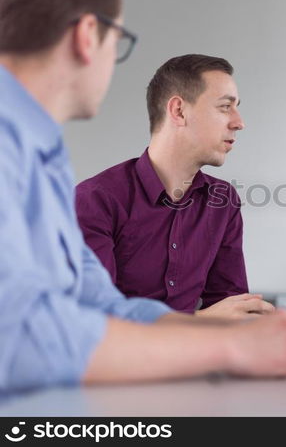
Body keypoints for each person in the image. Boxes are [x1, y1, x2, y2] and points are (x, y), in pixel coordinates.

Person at [0, 0, 286, 392]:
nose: (239, 122)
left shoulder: (44, 158)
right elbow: (16, 340)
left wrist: (256, 335)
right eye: (116, 39)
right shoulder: (30, 161)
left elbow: (100, 306)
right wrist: (226, 346)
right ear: (88, 35)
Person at [76, 54, 273, 320]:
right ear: (179, 111)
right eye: (225, 107)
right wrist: (201, 321)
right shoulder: (95, 200)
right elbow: (94, 321)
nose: (239, 122)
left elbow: (230, 309)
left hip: (198, 360)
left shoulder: (223, 200)